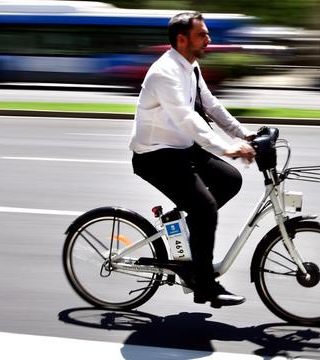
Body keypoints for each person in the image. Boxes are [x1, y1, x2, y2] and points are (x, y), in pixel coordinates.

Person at [129, 11, 256, 307]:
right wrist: (226, 148)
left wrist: (244, 135)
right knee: (205, 207)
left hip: (182, 147)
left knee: (230, 180)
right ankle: (205, 285)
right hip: (156, 154)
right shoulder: (165, 73)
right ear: (182, 39)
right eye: (203, 35)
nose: (209, 40)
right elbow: (187, 119)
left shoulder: (191, 67)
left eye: (208, 34)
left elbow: (211, 106)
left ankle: (182, 226)